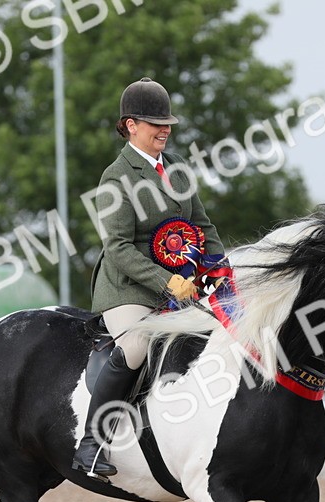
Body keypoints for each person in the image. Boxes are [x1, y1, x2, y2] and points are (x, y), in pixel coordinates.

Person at [73, 76, 226, 478]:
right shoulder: (115, 178)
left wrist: (221, 268)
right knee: (139, 346)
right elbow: (119, 248)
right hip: (129, 290)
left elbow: (203, 225)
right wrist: (166, 282)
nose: (165, 129)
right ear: (130, 126)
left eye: (167, 123)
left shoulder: (177, 170)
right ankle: (91, 443)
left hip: (182, 287)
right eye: (155, 122)